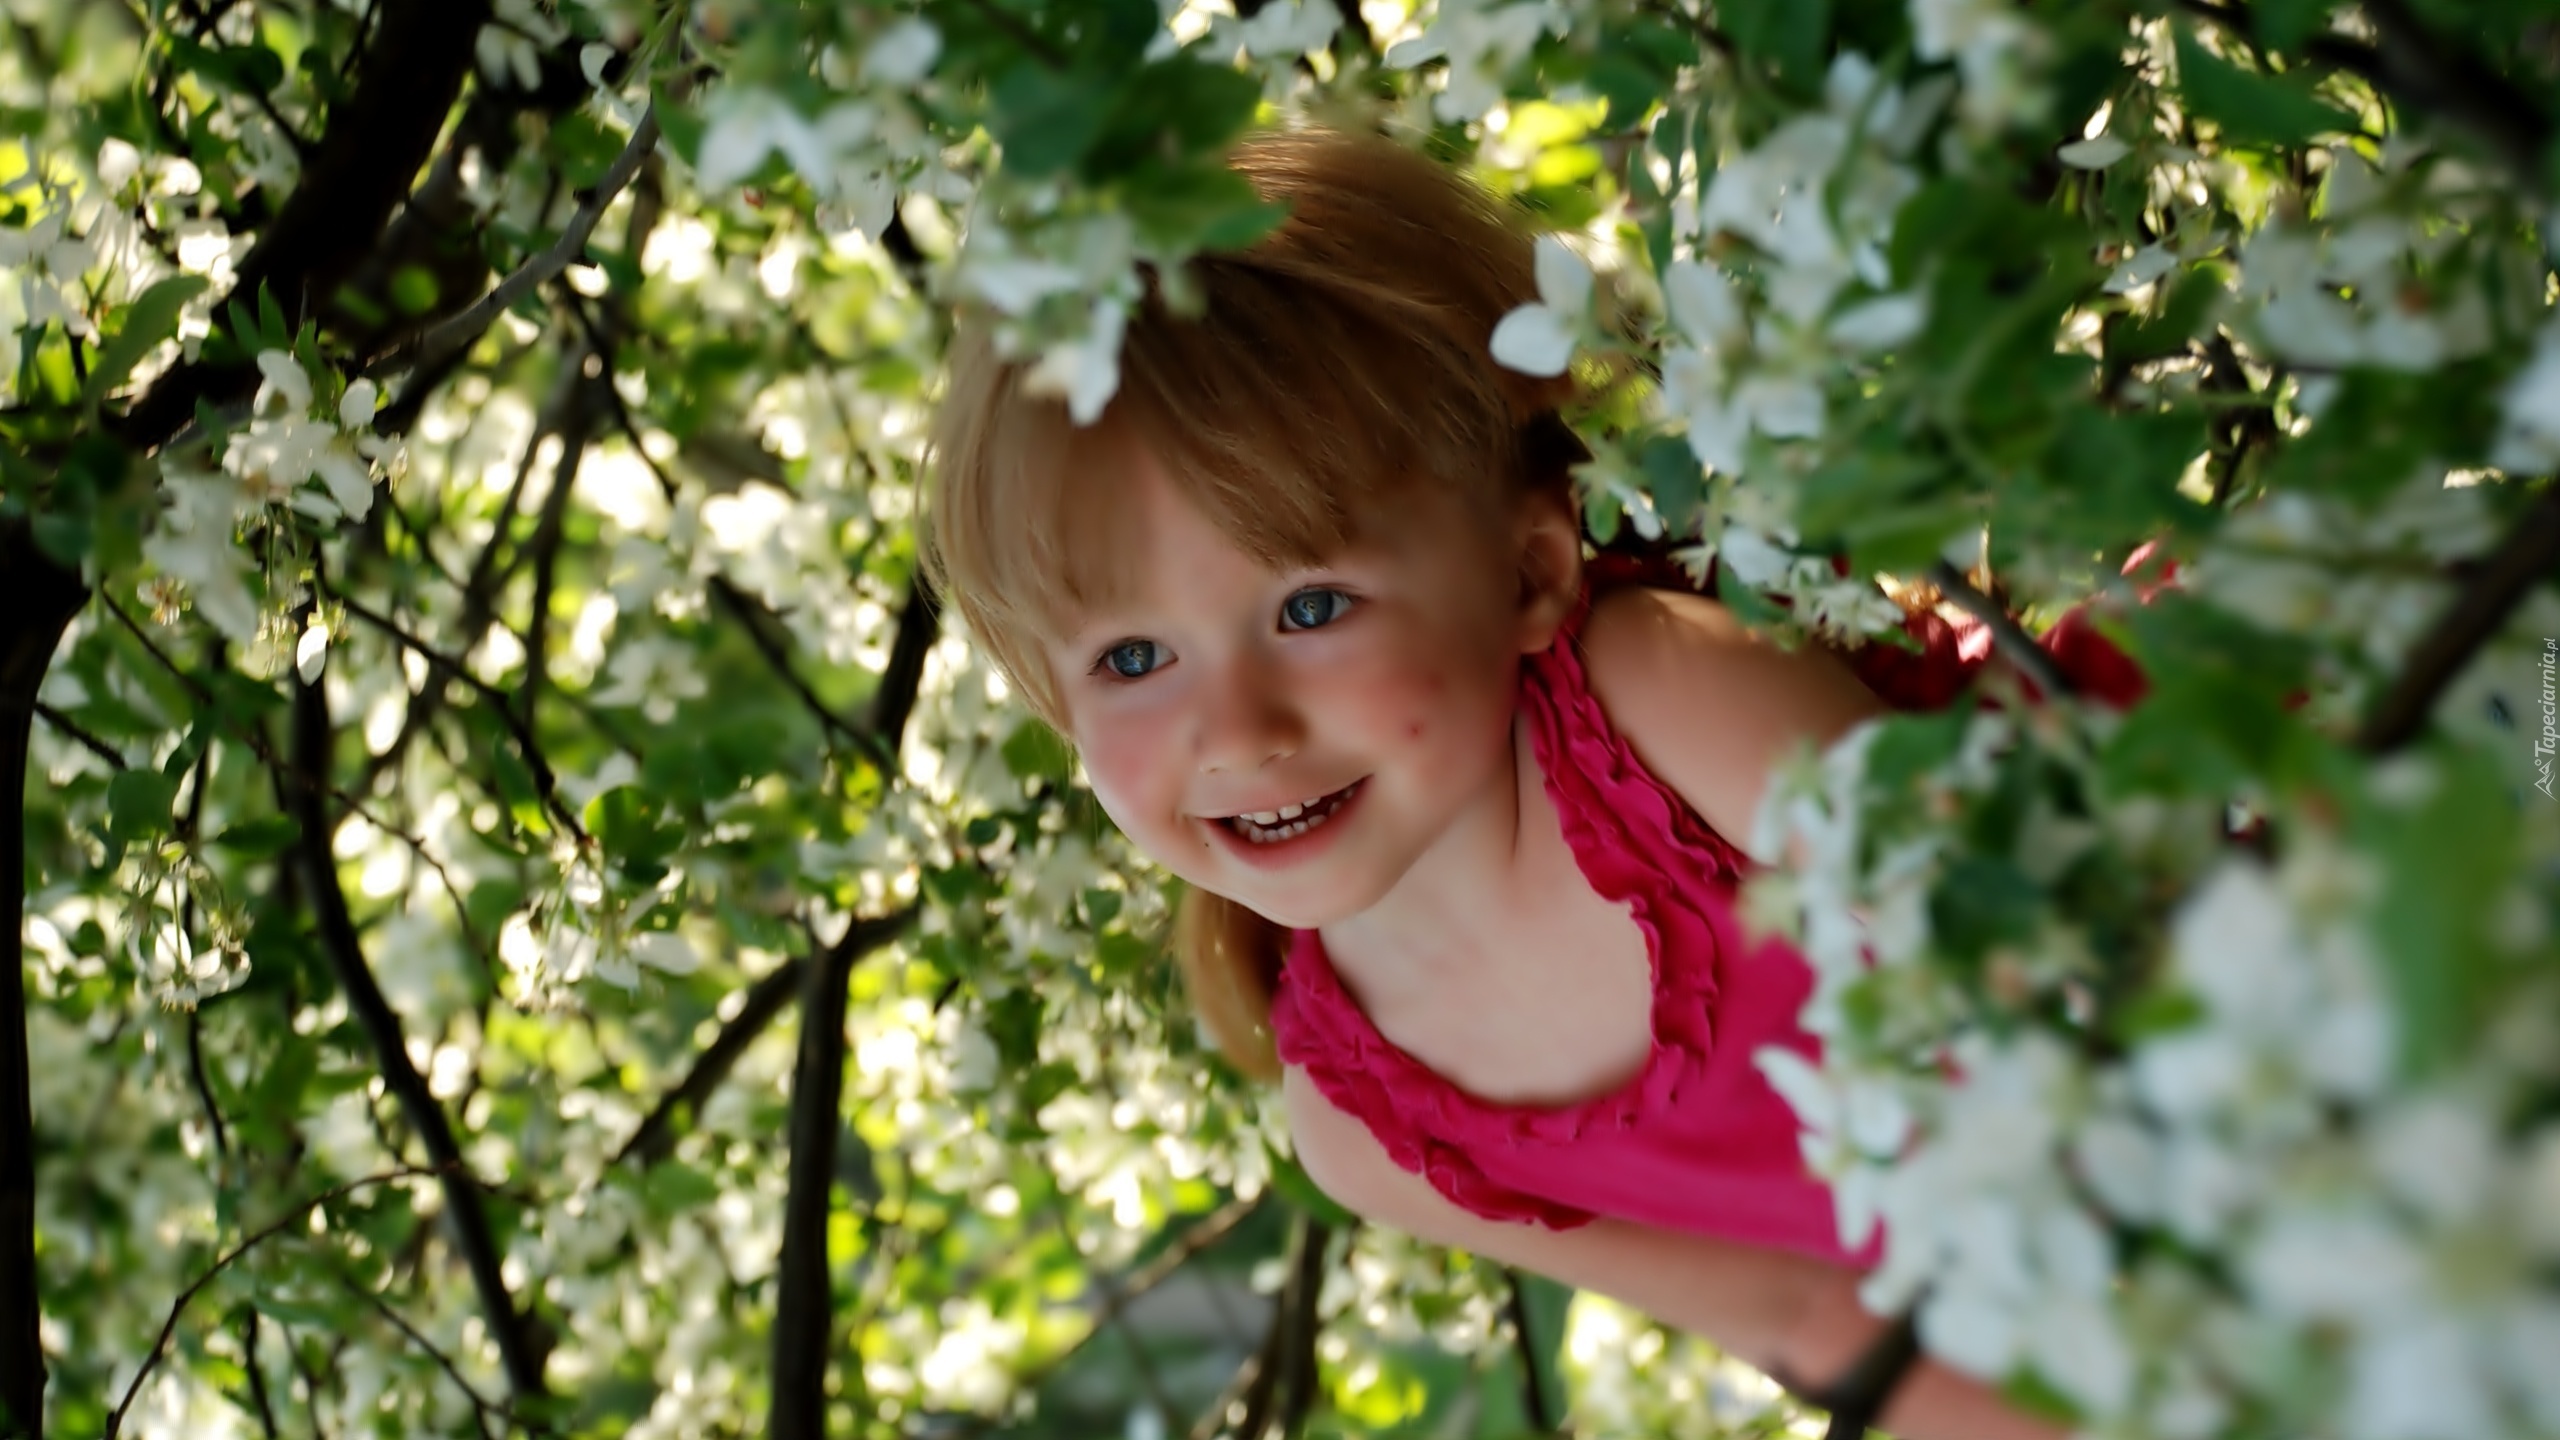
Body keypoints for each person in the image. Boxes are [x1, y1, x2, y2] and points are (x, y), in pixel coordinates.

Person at [923, 123, 2154, 1440]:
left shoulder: (1660, 697)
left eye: (1312, 605)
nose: (1235, 732)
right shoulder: (1360, 1131)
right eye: (1130, 657)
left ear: (1528, 571)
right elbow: (1816, 1323)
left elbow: (2075, 956)